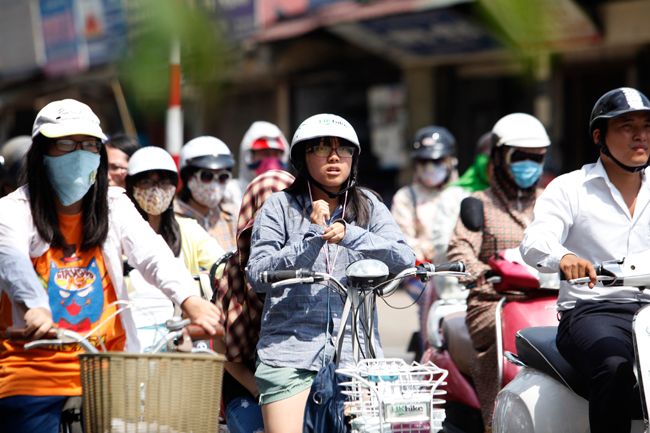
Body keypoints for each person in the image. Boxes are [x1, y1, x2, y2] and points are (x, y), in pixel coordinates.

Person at [0, 99, 221, 433]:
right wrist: (34, 308)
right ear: (41, 152)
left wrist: (191, 301)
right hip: (31, 370)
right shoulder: (12, 210)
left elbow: (152, 255)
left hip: (107, 370)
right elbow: (12, 261)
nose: (80, 154)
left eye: (89, 145)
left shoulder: (113, 203)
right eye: (66, 144)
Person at [245, 113, 414, 433]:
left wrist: (351, 233)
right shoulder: (279, 206)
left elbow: (405, 259)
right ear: (302, 157)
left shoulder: (369, 206)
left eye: (343, 149)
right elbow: (257, 273)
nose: (334, 157)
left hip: (358, 356)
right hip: (289, 354)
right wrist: (311, 235)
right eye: (322, 148)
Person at [520, 87, 650, 433]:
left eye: (646, 125)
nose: (640, 135)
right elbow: (535, 240)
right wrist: (564, 256)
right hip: (594, 311)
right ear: (599, 136)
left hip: (648, 307)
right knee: (613, 366)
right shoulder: (570, 188)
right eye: (626, 126)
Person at [446, 112, 551, 431]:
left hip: (549, 297)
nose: (529, 164)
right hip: (493, 300)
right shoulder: (479, 203)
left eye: (537, 158)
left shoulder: (552, 202)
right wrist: (481, 272)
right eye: (520, 157)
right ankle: (495, 420)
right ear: (499, 157)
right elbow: (460, 248)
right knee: (497, 348)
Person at [214, 169, 295, 433]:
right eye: (268, 216)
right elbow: (222, 353)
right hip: (248, 388)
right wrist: (264, 393)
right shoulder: (234, 272)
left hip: (300, 385)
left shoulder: (315, 265)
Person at [125, 146, 224, 350]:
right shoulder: (117, 232)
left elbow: (224, 265)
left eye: (163, 182)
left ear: (174, 186)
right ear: (131, 186)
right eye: (146, 181)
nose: (155, 189)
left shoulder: (187, 230)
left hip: (178, 336)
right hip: (127, 338)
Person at [390, 126, 467, 354]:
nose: (430, 168)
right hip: (423, 274)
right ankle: (429, 355)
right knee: (430, 301)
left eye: (436, 161)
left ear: (450, 161)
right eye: (424, 162)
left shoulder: (464, 193)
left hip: (461, 269)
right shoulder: (406, 197)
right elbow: (403, 240)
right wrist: (428, 255)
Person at [175, 136, 238, 252]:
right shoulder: (171, 219)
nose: (215, 185)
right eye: (206, 176)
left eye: (223, 177)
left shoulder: (234, 216)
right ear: (187, 176)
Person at [230, 121, 290, 205]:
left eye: (276, 154)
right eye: (265, 153)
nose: (271, 161)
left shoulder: (291, 196)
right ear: (249, 156)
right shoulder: (231, 193)